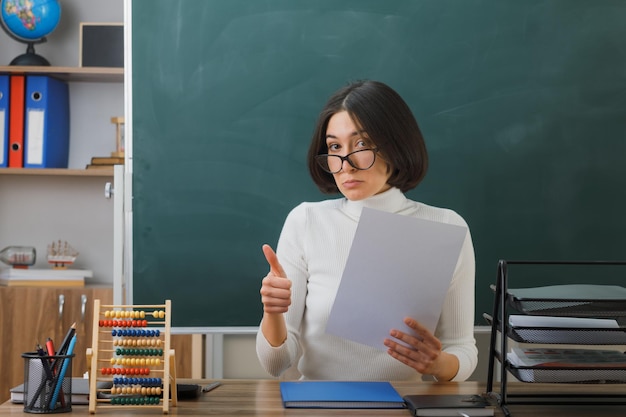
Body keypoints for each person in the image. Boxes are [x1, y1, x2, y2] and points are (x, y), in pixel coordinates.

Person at [256, 80, 477, 382]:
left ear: (396, 145)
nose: (346, 164)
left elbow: (462, 348)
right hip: (317, 407)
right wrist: (273, 313)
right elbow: (276, 364)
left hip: (403, 404)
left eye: (361, 144)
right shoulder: (306, 221)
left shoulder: (447, 227)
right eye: (335, 147)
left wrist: (438, 365)